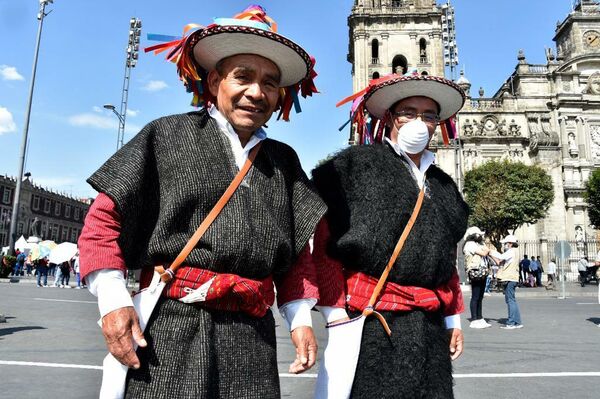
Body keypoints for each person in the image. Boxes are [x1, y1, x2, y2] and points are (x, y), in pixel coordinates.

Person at [78, 6, 325, 398]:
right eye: (242, 76)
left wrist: (299, 319)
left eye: (270, 82)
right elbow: (101, 226)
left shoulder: (285, 162)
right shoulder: (166, 136)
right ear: (213, 82)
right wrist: (112, 301)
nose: (257, 92)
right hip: (170, 331)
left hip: (253, 342)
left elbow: (296, 257)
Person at [312, 72, 468, 397]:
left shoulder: (443, 185)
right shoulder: (353, 167)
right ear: (389, 118)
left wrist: (453, 320)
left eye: (429, 115)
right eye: (408, 112)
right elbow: (324, 247)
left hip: (431, 329)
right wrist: (335, 314)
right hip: (371, 325)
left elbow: (447, 260)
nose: (419, 122)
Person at [491, 234, 523, 329]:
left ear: (510, 244)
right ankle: (517, 322)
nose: (505, 245)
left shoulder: (511, 251)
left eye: (506, 243)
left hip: (509, 277)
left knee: (510, 300)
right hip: (513, 277)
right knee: (512, 300)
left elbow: (501, 256)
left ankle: (511, 322)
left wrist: (491, 251)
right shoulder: (517, 251)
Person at [463, 226, 492, 328]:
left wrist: (484, 246)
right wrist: (485, 249)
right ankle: (474, 319)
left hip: (482, 271)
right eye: (479, 234)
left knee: (480, 296)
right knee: (475, 296)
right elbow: (484, 252)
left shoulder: (477, 243)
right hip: (475, 271)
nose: (481, 236)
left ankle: (480, 318)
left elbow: (487, 250)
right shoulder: (470, 244)